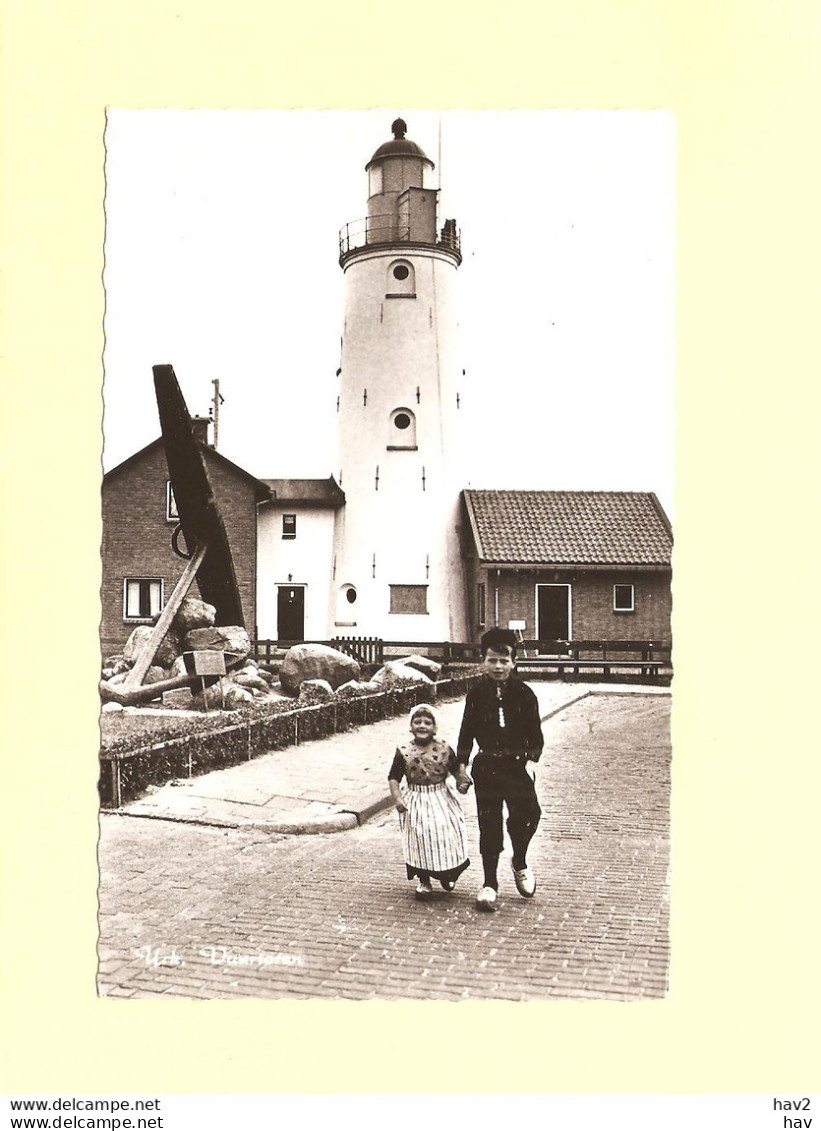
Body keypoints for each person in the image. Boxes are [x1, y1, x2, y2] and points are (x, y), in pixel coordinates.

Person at [456, 627, 543, 911]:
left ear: (514, 662)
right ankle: (489, 883)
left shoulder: (525, 694)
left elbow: (536, 736)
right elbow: (466, 733)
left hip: (517, 768)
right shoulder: (477, 695)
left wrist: (531, 761)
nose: (498, 666)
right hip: (488, 768)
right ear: (484, 661)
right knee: (489, 825)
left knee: (529, 815)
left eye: (504, 661)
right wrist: (461, 767)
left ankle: (519, 860)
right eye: (492, 660)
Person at [388, 702, 473, 900]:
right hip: (416, 799)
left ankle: (447, 872)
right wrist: (398, 798)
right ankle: (424, 880)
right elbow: (393, 777)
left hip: (440, 797)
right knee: (420, 838)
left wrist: (463, 780)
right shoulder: (404, 751)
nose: (422, 725)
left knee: (445, 835)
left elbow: (456, 772)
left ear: (435, 727)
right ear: (411, 726)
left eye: (427, 722)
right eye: (417, 721)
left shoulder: (444, 748)